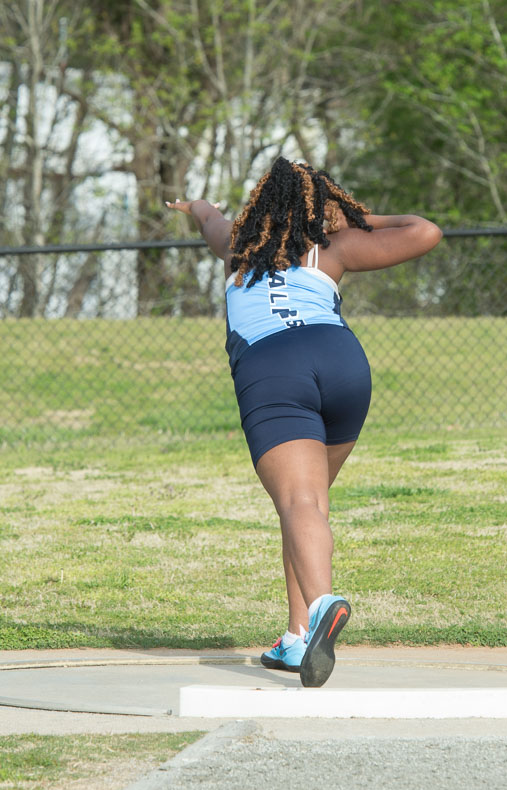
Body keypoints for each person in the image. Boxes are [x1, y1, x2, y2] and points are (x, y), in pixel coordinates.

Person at [166, 157, 442, 687]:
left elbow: (205, 218)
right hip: (341, 362)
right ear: (324, 203)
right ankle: (297, 637)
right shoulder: (331, 248)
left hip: (276, 367)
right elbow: (425, 231)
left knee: (300, 503)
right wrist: (358, 218)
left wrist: (197, 207)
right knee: (306, 505)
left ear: (260, 203)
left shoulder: (237, 246)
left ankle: (321, 606)